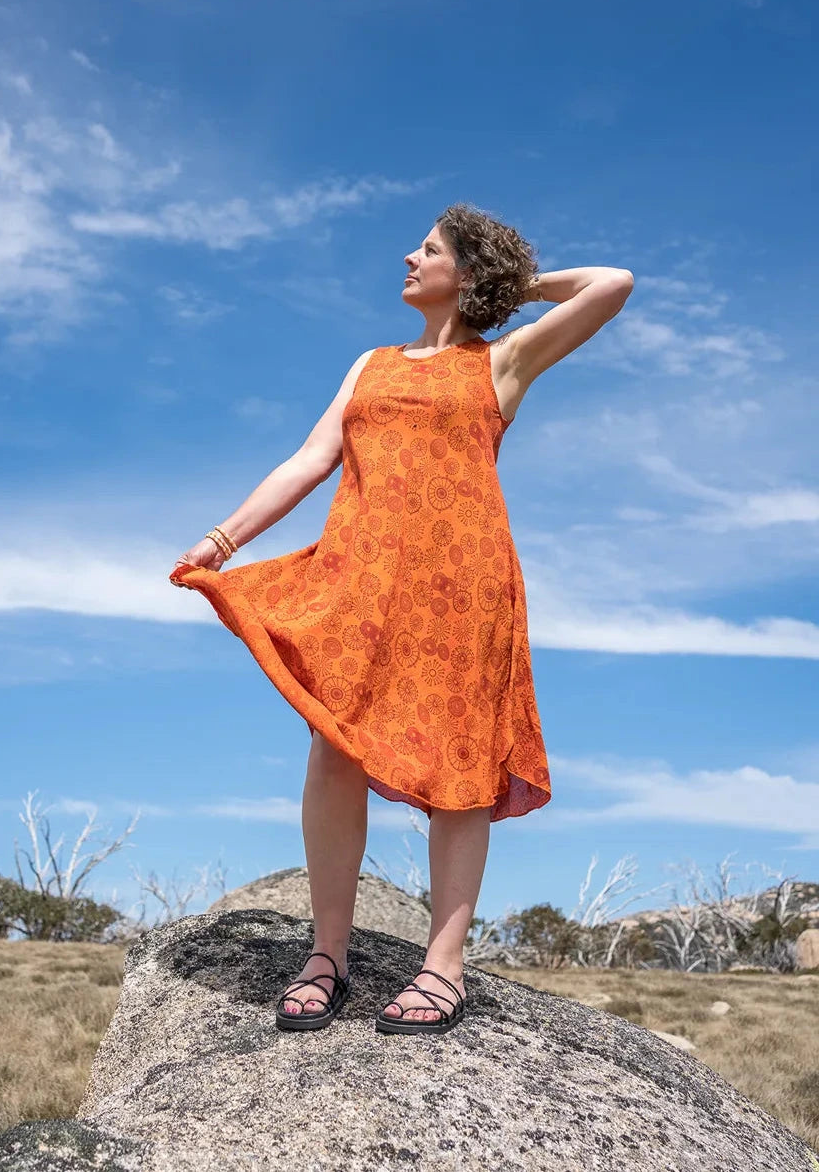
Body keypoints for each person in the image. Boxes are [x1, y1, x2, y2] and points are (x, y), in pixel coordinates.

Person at [170, 203, 633, 1034]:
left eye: (430, 250)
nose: (408, 257)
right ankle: (328, 956)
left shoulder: (507, 361)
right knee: (333, 743)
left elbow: (613, 283)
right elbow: (311, 459)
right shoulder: (371, 364)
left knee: (460, 763)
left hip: (463, 584)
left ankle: (442, 969)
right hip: (363, 576)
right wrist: (222, 538)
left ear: (466, 271)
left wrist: (505, 287)